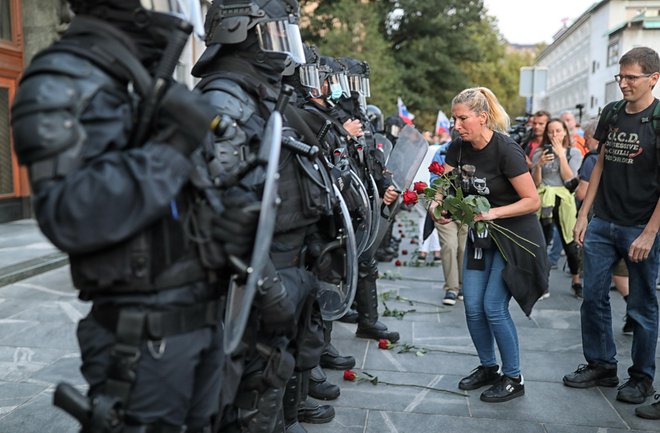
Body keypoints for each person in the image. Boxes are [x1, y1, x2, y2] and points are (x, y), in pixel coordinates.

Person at [9, 1, 254, 432]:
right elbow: (71, 213)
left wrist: (221, 228)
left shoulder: (138, 74)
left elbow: (175, 201)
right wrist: (174, 148)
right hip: (140, 340)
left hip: (196, 321)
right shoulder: (62, 77)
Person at [193, 2, 334, 431]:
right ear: (240, 31)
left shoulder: (259, 93)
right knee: (247, 387)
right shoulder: (226, 99)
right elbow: (219, 211)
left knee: (270, 374)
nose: (282, 49)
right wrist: (271, 289)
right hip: (247, 281)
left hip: (278, 267)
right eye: (273, 35)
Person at [562, 47, 660, 416]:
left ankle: (641, 378)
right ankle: (602, 365)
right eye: (621, 77)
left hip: (641, 226)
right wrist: (585, 213)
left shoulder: (658, 118)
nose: (624, 84)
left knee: (642, 305)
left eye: (632, 77)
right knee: (592, 297)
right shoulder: (613, 112)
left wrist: (650, 233)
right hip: (604, 221)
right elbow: (601, 160)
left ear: (653, 78)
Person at [433, 87, 547, 403]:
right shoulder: (458, 148)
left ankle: (514, 377)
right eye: (455, 118)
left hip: (516, 238)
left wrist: (491, 212)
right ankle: (488, 367)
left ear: (483, 117)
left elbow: (532, 200)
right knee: (472, 306)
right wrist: (437, 207)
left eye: (462, 118)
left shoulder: (506, 150)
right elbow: (442, 186)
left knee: (493, 307)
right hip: (483, 238)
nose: (456, 125)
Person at [575, 119, 633, 334]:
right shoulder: (616, 157)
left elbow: (582, 192)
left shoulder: (591, 159)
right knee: (619, 276)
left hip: (602, 220)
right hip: (620, 221)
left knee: (601, 285)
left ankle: (633, 310)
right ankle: (634, 311)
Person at [531, 118, 583, 297]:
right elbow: (535, 183)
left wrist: (561, 155)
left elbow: (570, 180)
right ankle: (542, 282)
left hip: (564, 201)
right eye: (551, 131)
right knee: (542, 242)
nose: (554, 135)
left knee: (569, 242)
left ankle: (576, 280)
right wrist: (538, 166)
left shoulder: (573, 153)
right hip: (544, 200)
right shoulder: (539, 152)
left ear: (565, 133)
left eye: (558, 131)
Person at [429, 131, 468, 305]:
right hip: (445, 207)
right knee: (450, 246)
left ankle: (463, 286)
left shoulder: (474, 152)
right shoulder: (442, 152)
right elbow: (434, 179)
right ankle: (451, 289)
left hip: (466, 208)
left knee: (464, 248)